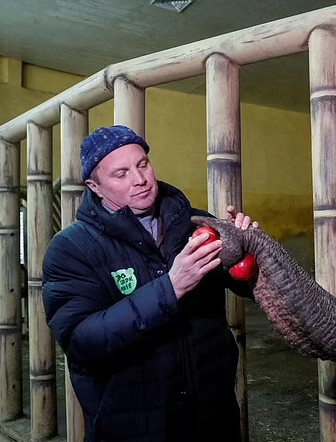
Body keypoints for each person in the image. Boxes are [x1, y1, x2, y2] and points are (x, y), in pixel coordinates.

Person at [42, 125, 256, 442]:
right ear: (95, 186)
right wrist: (170, 289)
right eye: (121, 173)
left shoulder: (196, 223)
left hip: (213, 416)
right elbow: (81, 341)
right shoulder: (72, 249)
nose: (140, 179)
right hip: (134, 426)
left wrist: (246, 251)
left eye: (143, 164)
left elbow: (246, 285)